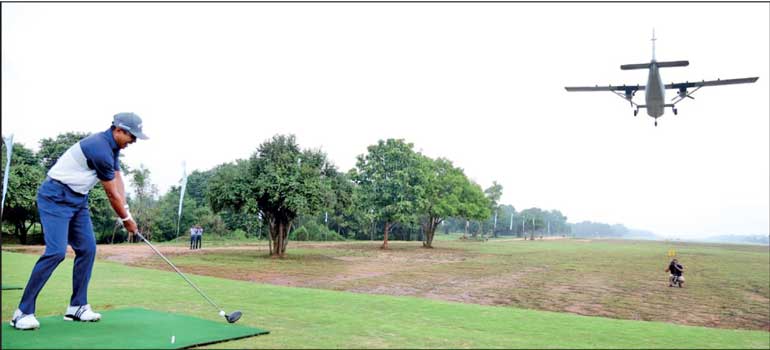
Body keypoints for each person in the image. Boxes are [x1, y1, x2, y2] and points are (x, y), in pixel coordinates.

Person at [10, 113, 148, 330]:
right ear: (118, 130)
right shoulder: (100, 148)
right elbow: (111, 194)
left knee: (87, 249)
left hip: (78, 199)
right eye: (132, 136)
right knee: (56, 252)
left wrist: (127, 212)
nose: (134, 141)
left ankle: (77, 307)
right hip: (55, 196)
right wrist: (126, 220)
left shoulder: (113, 148)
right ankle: (22, 312)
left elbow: (118, 179)